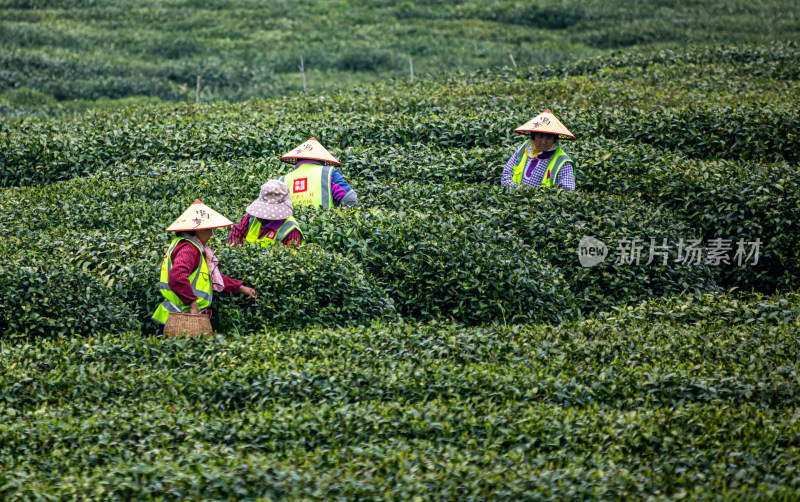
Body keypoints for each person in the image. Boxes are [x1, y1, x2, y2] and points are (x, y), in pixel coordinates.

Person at [152, 200, 257, 326]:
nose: (211, 234)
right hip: (183, 317)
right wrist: (192, 305)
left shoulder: (190, 247)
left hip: (179, 315)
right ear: (196, 230)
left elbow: (209, 276)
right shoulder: (188, 249)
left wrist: (240, 288)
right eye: (208, 229)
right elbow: (177, 276)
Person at [500, 109, 577, 190]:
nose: (543, 142)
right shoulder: (522, 149)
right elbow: (506, 174)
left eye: (549, 138)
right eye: (539, 137)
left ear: (554, 139)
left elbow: (567, 190)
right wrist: (519, 192)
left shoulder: (562, 162)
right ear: (533, 136)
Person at [279, 137, 358, 208]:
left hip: (292, 224)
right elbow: (350, 198)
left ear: (297, 160)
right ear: (322, 159)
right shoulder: (328, 173)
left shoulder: (283, 180)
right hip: (326, 223)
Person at [228, 180, 304, 247]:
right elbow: (237, 231)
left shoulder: (290, 229)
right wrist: (238, 249)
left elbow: (290, 257)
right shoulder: (251, 217)